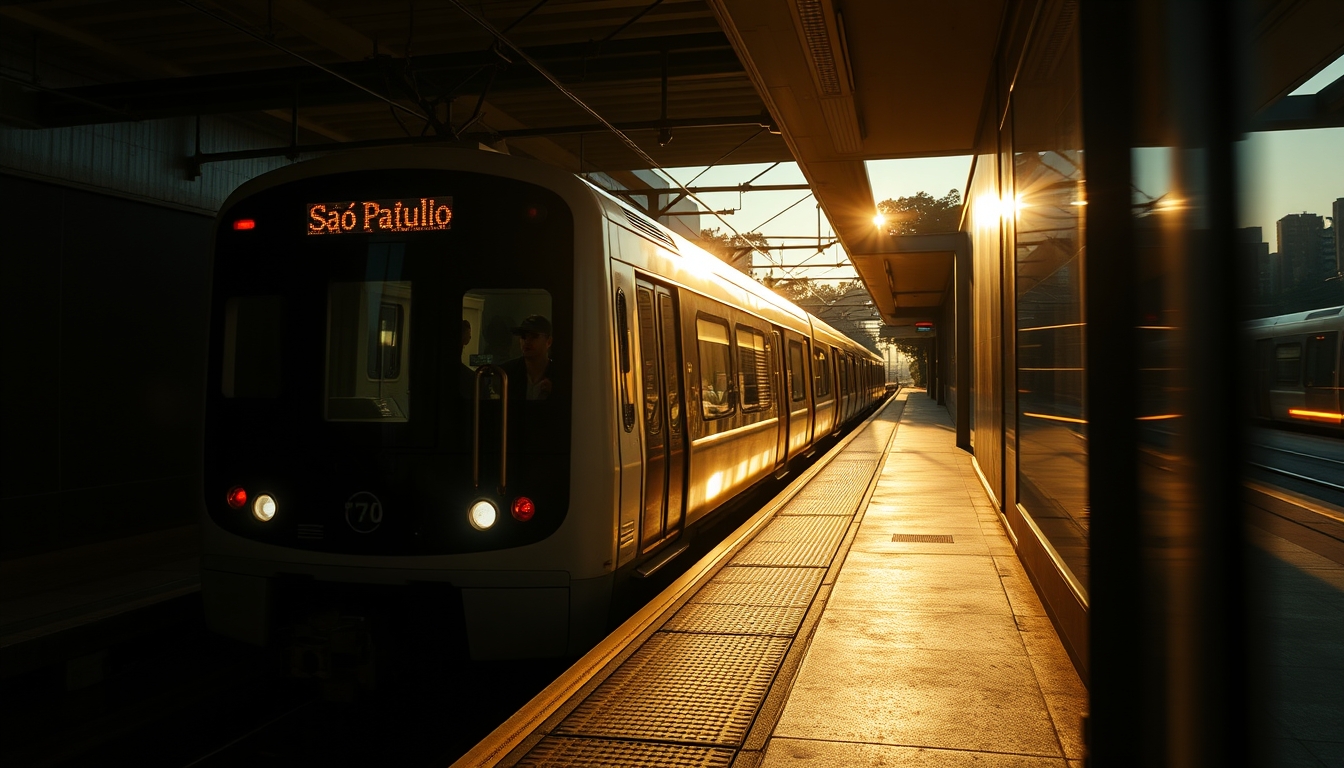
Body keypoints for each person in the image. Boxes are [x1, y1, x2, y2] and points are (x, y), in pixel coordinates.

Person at [502, 314, 555, 401]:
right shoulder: (507, 372)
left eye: (534, 336)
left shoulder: (560, 375)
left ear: (548, 342)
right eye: (523, 336)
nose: (526, 341)